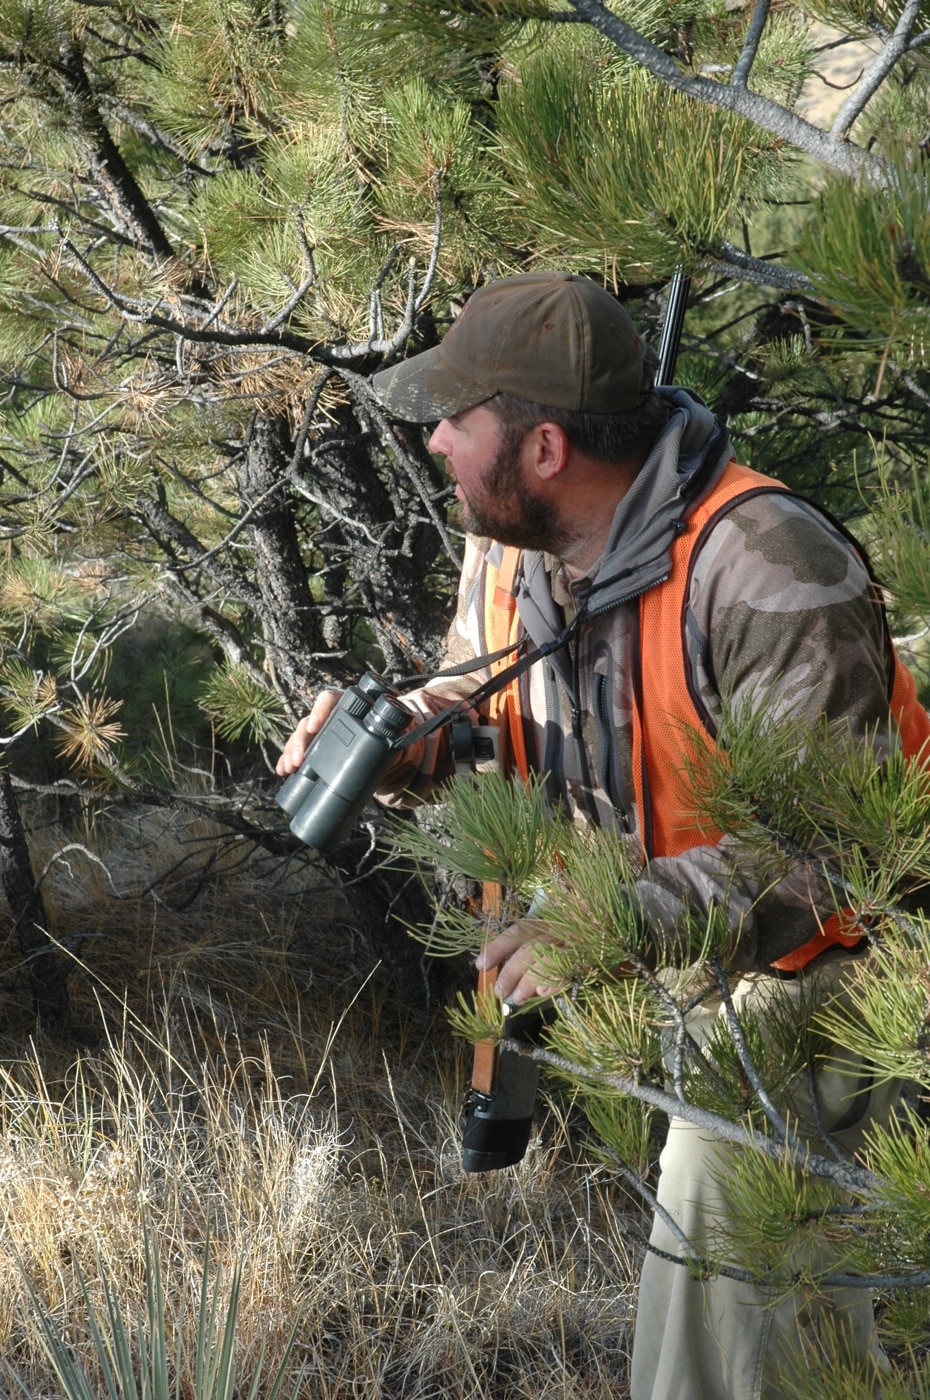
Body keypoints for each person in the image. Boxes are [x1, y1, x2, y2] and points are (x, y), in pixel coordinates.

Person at [277, 271, 929, 1398]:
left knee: (719, 1250)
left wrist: (611, 923)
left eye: (456, 419)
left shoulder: (769, 565)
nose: (432, 441)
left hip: (846, 966)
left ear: (542, 450)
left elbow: (833, 853)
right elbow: (475, 688)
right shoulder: (510, 551)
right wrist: (415, 737)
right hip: (682, 953)